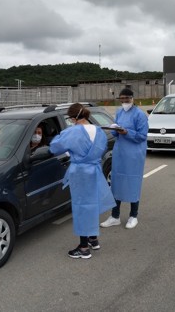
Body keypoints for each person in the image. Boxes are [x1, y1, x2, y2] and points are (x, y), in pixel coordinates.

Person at [49, 103, 115, 259]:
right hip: (95, 170)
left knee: (81, 207)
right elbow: (102, 148)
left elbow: (54, 148)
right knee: (91, 204)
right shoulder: (99, 131)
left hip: (80, 173)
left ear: (73, 118)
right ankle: (93, 239)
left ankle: (83, 247)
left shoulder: (72, 132)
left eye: (71, 119)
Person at [100, 88, 149, 229]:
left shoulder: (140, 115)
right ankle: (115, 216)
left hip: (134, 155)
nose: (124, 101)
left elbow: (142, 136)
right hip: (120, 153)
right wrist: (114, 129)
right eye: (121, 99)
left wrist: (126, 132)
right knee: (116, 183)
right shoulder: (119, 112)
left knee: (132, 183)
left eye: (127, 98)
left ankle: (134, 215)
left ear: (132, 98)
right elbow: (117, 134)